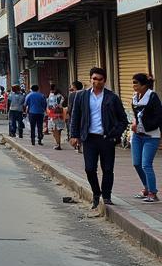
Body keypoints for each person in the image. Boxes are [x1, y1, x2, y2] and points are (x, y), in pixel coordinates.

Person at [69, 67, 129, 214]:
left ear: (104, 81)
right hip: (89, 138)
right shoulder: (81, 96)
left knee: (107, 169)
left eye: (100, 79)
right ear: (90, 79)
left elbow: (123, 120)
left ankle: (106, 195)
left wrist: (115, 134)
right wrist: (74, 135)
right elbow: (75, 116)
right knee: (89, 168)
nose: (96, 82)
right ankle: (96, 193)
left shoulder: (112, 97)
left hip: (106, 139)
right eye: (94, 79)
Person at [130, 72, 161, 203]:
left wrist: (147, 126)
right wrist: (134, 123)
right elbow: (135, 114)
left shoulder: (152, 97)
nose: (133, 86)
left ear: (144, 85)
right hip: (137, 135)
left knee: (146, 164)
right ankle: (146, 188)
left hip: (151, 136)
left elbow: (159, 116)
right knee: (136, 163)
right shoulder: (134, 97)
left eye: (136, 83)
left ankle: (153, 193)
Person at [46, 83, 66, 149]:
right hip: (57, 114)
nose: (51, 91)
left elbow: (51, 105)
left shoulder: (57, 96)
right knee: (57, 130)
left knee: (55, 130)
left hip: (55, 115)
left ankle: (58, 144)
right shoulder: (59, 96)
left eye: (52, 90)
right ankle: (58, 143)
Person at [65, 81, 83, 152]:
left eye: (72, 86)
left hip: (74, 115)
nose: (70, 87)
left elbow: (70, 106)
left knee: (75, 128)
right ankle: (81, 145)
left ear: (74, 87)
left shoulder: (72, 95)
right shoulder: (85, 93)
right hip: (83, 115)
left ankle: (78, 144)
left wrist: (68, 113)